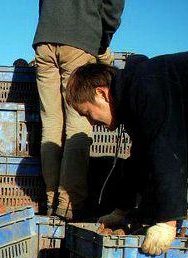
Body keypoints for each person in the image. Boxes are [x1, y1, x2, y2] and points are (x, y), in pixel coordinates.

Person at [65, 47, 188, 255]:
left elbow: (167, 147)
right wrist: (121, 210)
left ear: (102, 94)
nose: (91, 122)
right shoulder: (134, 96)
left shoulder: (146, 85)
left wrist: (168, 222)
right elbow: (141, 158)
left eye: (87, 113)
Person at [32, 0, 124, 220]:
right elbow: (113, 6)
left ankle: (51, 200)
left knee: (51, 123)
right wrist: (102, 41)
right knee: (78, 126)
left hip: (45, 40)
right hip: (79, 40)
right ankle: (69, 206)